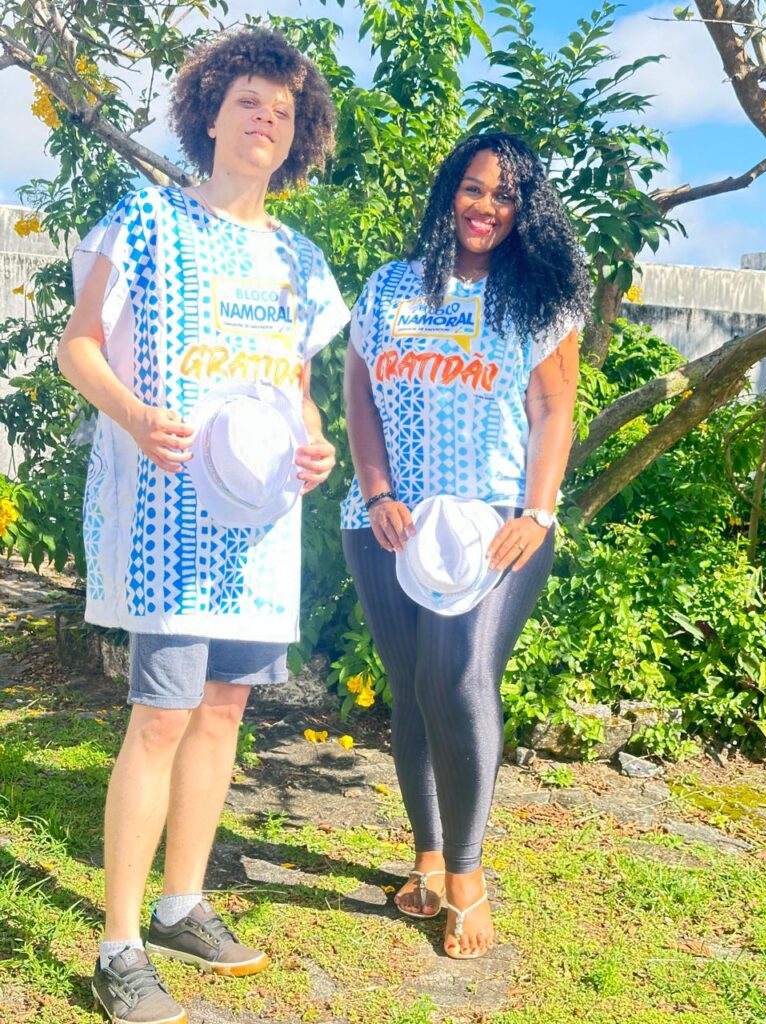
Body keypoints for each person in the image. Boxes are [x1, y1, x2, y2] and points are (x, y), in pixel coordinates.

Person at [57, 28, 349, 1024]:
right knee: (162, 714)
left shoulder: (300, 260)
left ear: (299, 134)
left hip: (259, 527)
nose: (265, 120)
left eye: (284, 110)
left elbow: (298, 390)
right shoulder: (145, 219)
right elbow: (78, 347)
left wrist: (317, 442)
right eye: (248, 103)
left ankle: (182, 903)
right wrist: (137, 417)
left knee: (225, 708)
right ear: (211, 117)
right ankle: (119, 947)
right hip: (167, 521)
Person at [341, 132, 590, 960]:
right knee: (413, 687)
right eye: (475, 188)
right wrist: (377, 492)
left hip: (496, 521)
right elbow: (358, 392)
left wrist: (539, 512)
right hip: (386, 519)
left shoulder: (537, 296)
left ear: (526, 211)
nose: (487, 207)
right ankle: (426, 855)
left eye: (506, 195)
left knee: (458, 676)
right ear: (451, 191)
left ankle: (467, 874)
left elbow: (554, 409)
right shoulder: (390, 287)